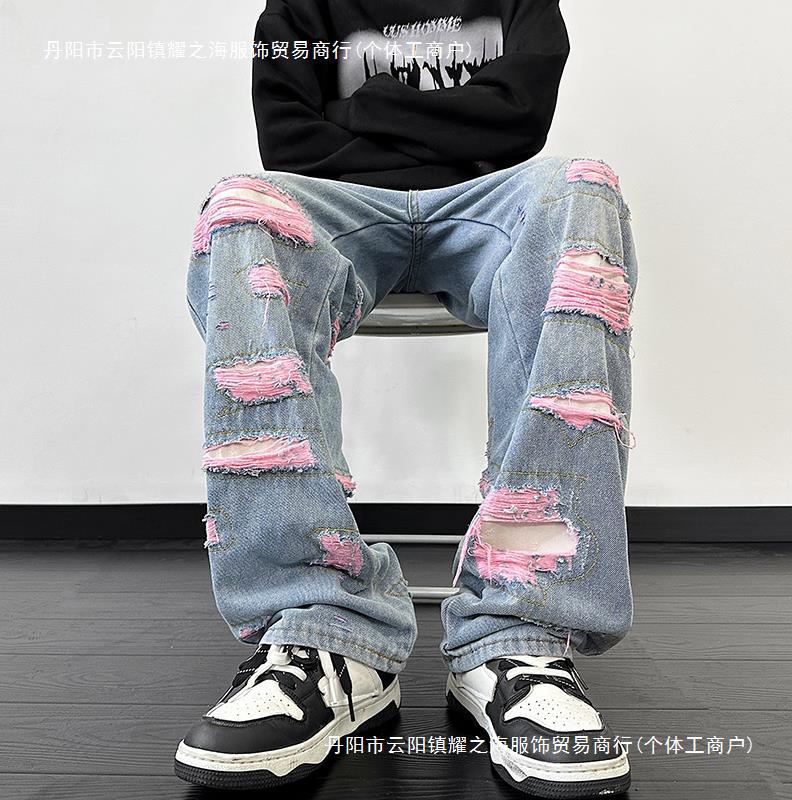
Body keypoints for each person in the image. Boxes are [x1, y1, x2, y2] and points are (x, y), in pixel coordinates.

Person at [174, 2, 638, 797]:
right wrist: (457, 122)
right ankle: (318, 627)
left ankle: (519, 629)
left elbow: (521, 121)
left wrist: (362, 113)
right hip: (340, 206)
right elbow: (289, 142)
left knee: (581, 187)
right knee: (243, 202)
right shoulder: (301, 4)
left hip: (491, 202)